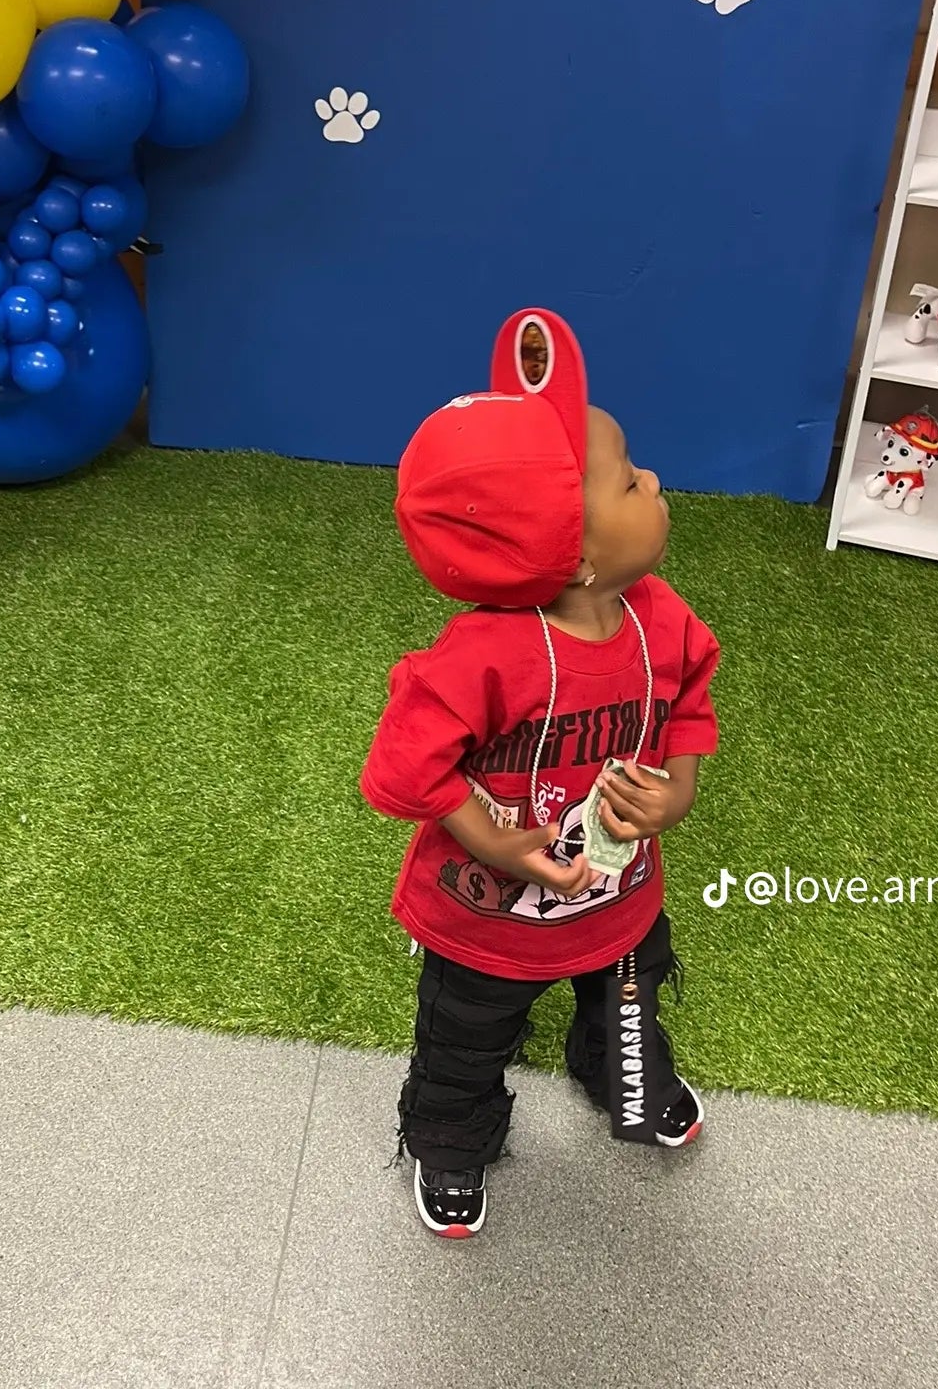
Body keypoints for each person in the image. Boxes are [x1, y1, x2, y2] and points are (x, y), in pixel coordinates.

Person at [361, 308, 720, 1239]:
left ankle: (621, 1076)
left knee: (628, 999)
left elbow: (689, 699)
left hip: (621, 896)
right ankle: (450, 1140)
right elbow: (403, 767)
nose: (654, 481)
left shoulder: (661, 617)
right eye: (630, 480)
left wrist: (679, 790)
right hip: (485, 918)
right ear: (581, 556)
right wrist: (491, 840)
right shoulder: (483, 657)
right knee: (464, 1039)